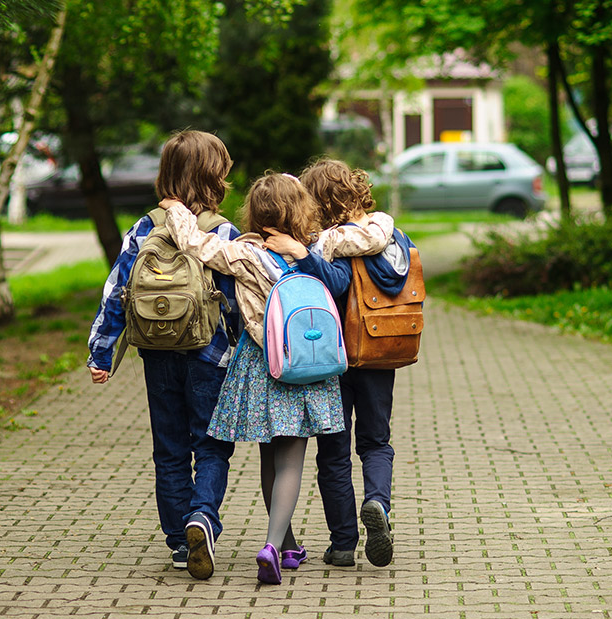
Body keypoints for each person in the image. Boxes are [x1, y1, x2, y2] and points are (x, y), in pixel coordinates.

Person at [156, 172, 393, 584]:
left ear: (254, 212)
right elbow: (372, 237)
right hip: (306, 362)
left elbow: (194, 244)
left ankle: (284, 545)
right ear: (302, 208)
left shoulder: (244, 254)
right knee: (290, 463)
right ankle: (272, 544)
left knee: (270, 454)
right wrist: (380, 219)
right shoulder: (321, 244)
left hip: (261, 364)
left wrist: (177, 209)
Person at [87, 131, 240, 581]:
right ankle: (202, 519)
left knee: (169, 449)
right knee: (210, 446)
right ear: (214, 177)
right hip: (210, 356)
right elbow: (234, 300)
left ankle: (178, 542)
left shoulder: (143, 227)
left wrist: (101, 353)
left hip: (156, 351)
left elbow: (116, 293)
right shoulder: (220, 232)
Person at [265, 158, 415, 569]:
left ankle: (344, 544)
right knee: (376, 442)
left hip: (335, 357)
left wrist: (303, 255)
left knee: (333, 452)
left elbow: (335, 284)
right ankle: (377, 503)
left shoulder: (332, 243)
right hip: (382, 350)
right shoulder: (392, 236)